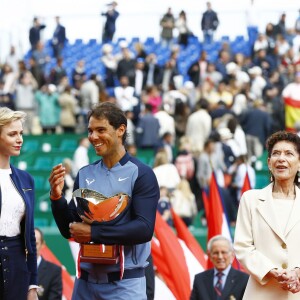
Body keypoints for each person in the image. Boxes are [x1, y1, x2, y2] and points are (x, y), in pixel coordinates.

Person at [48, 102, 160, 300]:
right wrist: (57, 199)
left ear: (120, 130)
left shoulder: (141, 174)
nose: (93, 137)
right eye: (90, 131)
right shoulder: (84, 173)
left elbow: (144, 229)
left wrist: (94, 232)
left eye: (101, 130)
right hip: (85, 284)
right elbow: (69, 229)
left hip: (125, 285)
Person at [234, 131, 300, 299]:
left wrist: (297, 273)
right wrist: (272, 271)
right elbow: (243, 247)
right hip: (260, 293)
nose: (281, 158)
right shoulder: (251, 199)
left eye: (289, 153)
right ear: (269, 163)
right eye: (276, 154)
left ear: (299, 163)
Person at [0, 107, 38, 300]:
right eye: (12, 134)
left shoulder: (26, 179)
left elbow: (30, 237)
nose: (19, 139)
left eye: (21, 133)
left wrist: (32, 284)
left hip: (17, 264)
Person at [190, 235, 249, 300]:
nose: (220, 257)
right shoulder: (200, 279)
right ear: (209, 255)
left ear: (232, 255)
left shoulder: (244, 280)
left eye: (224, 252)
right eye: (216, 253)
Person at [35, 227, 62, 300]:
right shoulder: (16, 269)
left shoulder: (54, 271)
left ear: (42, 244)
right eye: (29, 243)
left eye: (35, 244)